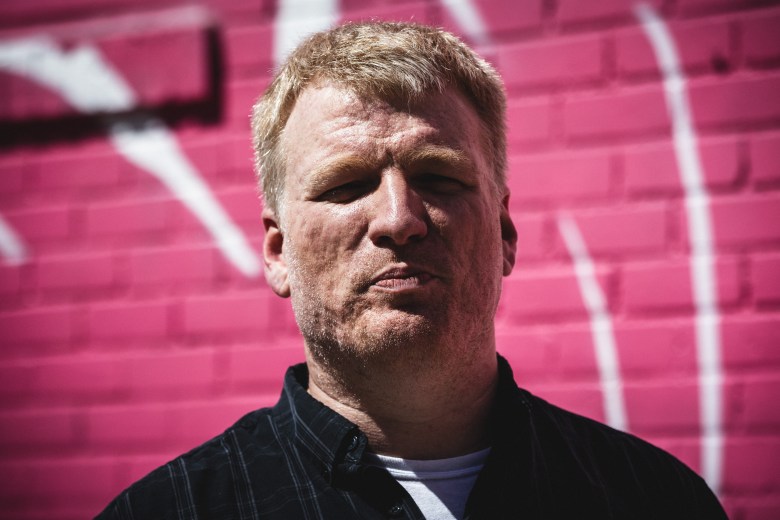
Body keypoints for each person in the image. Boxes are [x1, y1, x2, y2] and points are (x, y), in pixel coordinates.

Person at [97, 21, 727, 520]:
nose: (399, 218)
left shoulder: (655, 500)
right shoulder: (172, 511)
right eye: (345, 186)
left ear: (505, 231)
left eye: (438, 177)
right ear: (278, 251)